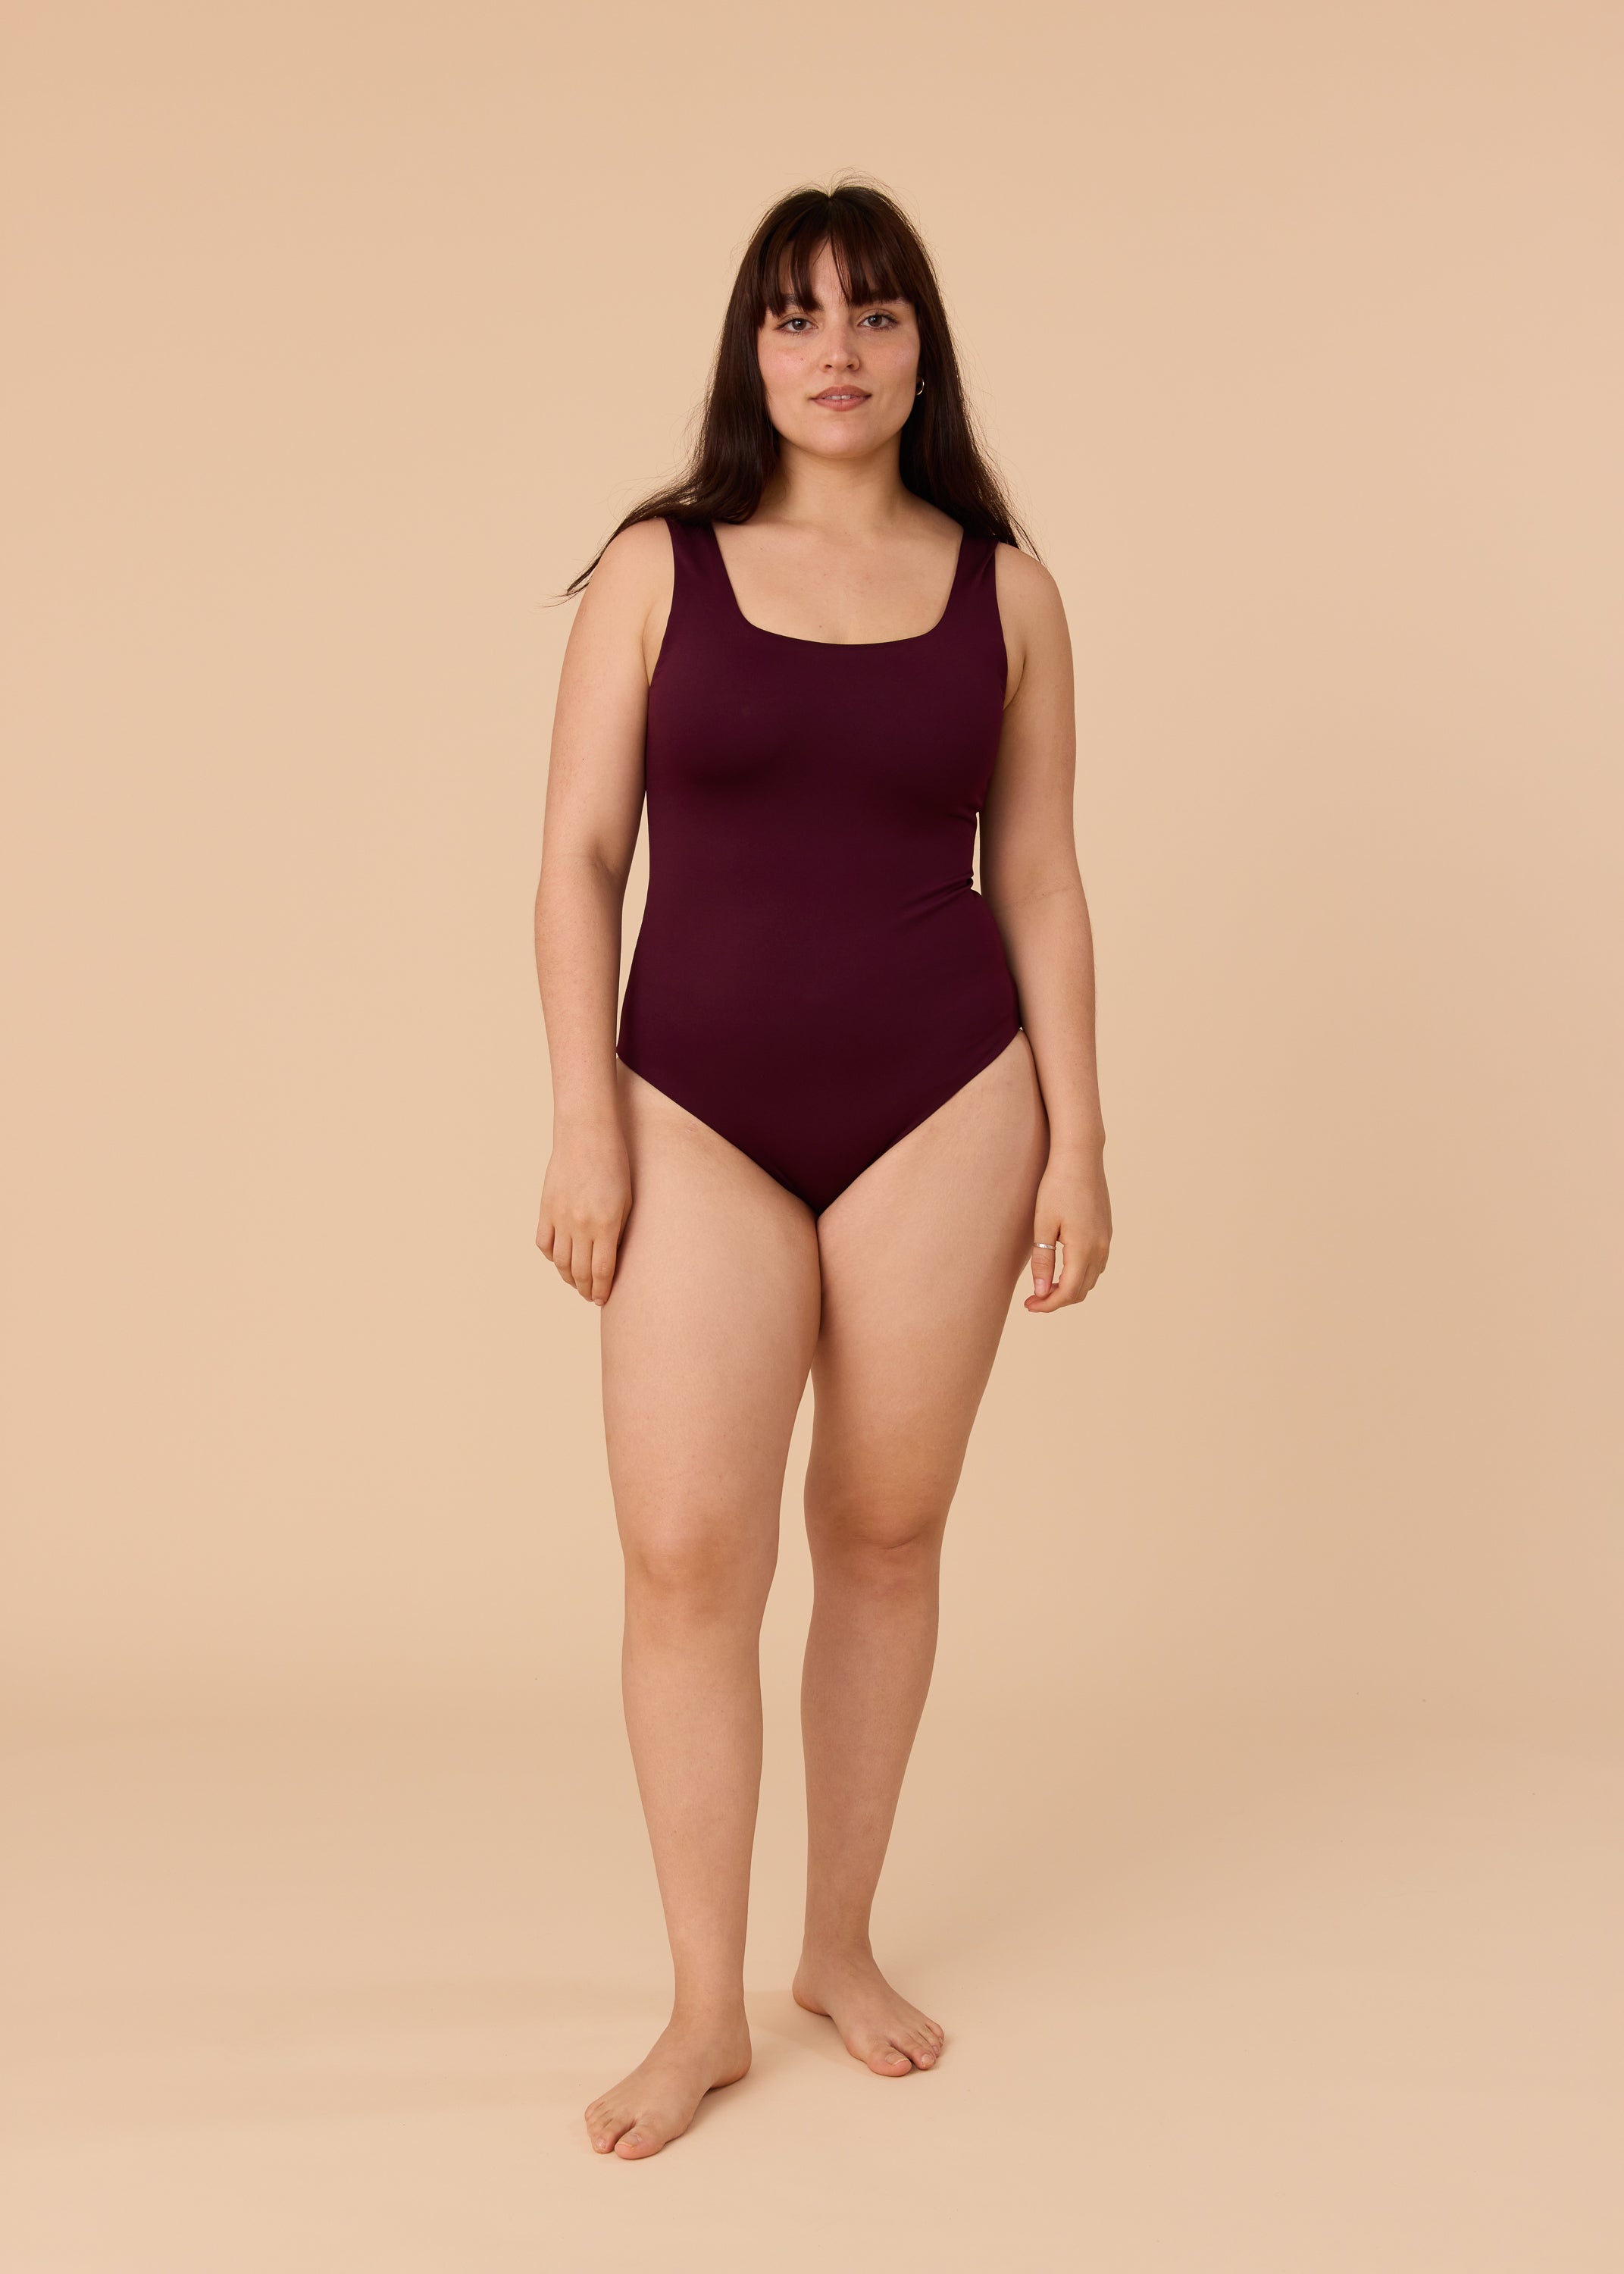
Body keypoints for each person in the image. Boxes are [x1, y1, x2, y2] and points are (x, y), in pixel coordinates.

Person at [533, 178, 1111, 2160]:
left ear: (922, 349)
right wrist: (582, 1112)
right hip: (688, 1106)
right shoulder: (656, 567)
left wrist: (1083, 1140)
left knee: (883, 1530)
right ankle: (702, 2008)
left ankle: (837, 1947)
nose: (836, 349)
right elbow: (577, 861)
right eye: (797, 314)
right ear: (752, 349)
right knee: (688, 1553)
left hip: (948, 1097)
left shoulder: (1007, 592)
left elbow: (1041, 877)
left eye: (874, 313)